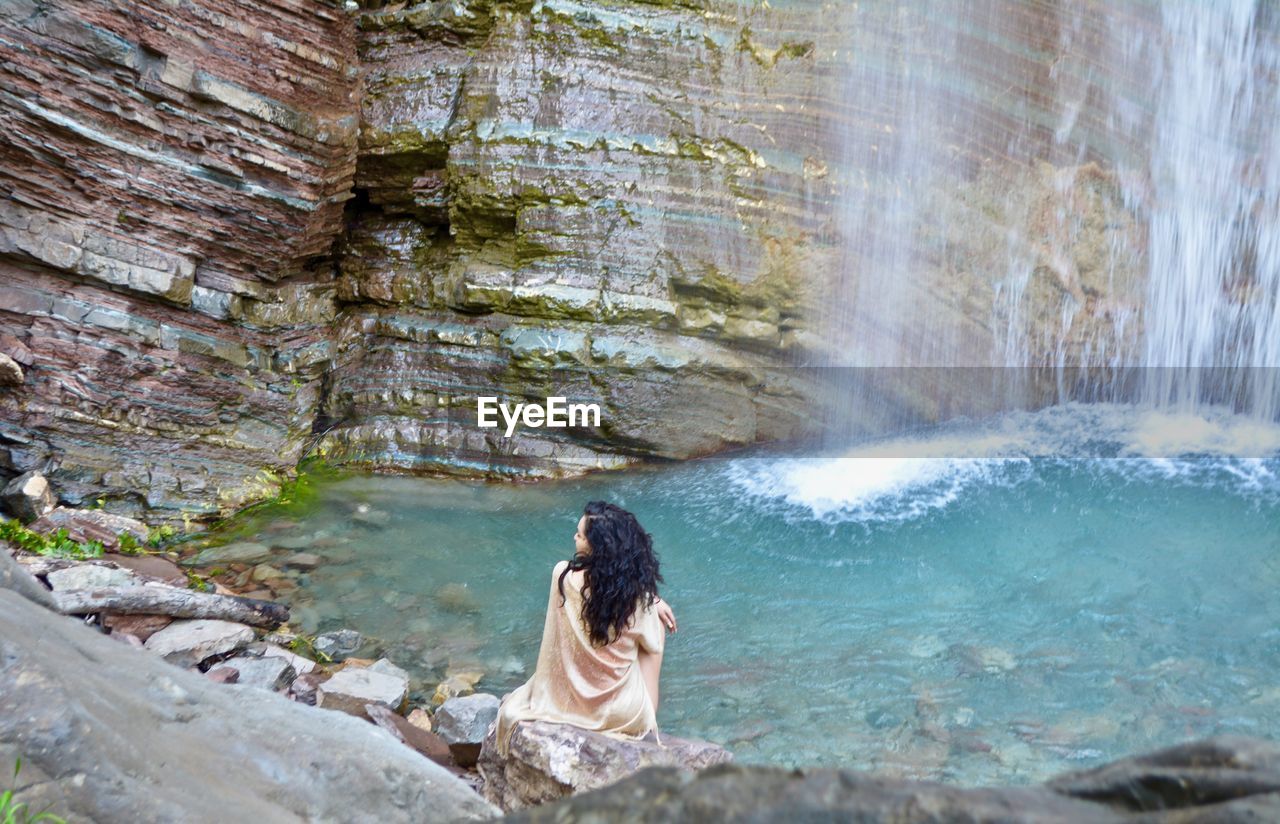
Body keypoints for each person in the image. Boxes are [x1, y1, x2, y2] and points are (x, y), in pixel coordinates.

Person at [493, 501, 678, 755]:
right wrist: (652, 600)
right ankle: (649, 717)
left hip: (562, 704)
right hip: (621, 713)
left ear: (595, 547)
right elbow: (649, 640)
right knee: (656, 625)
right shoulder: (636, 599)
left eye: (580, 535)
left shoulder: (563, 576)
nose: (574, 537)